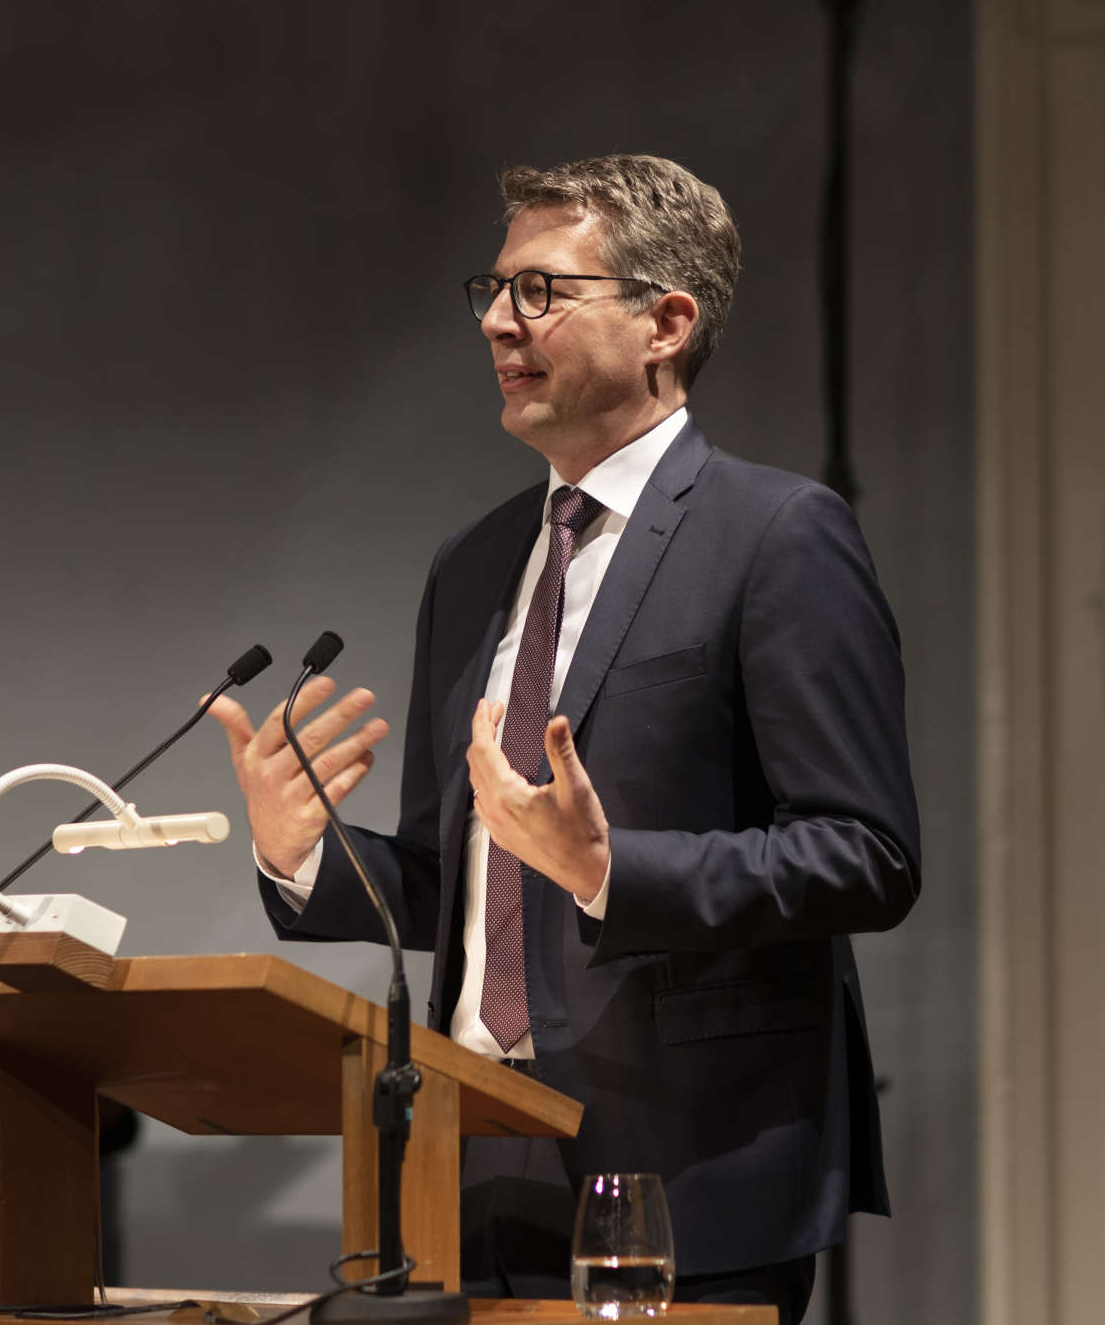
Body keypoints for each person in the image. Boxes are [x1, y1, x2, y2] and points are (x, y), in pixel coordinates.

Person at [208, 154, 919, 1324]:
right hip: (469, 1156)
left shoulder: (777, 534)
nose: (498, 320)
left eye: (540, 290)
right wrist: (304, 855)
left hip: (685, 1169)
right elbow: (462, 876)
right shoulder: (477, 562)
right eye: (493, 290)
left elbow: (866, 855)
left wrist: (609, 869)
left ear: (665, 323)